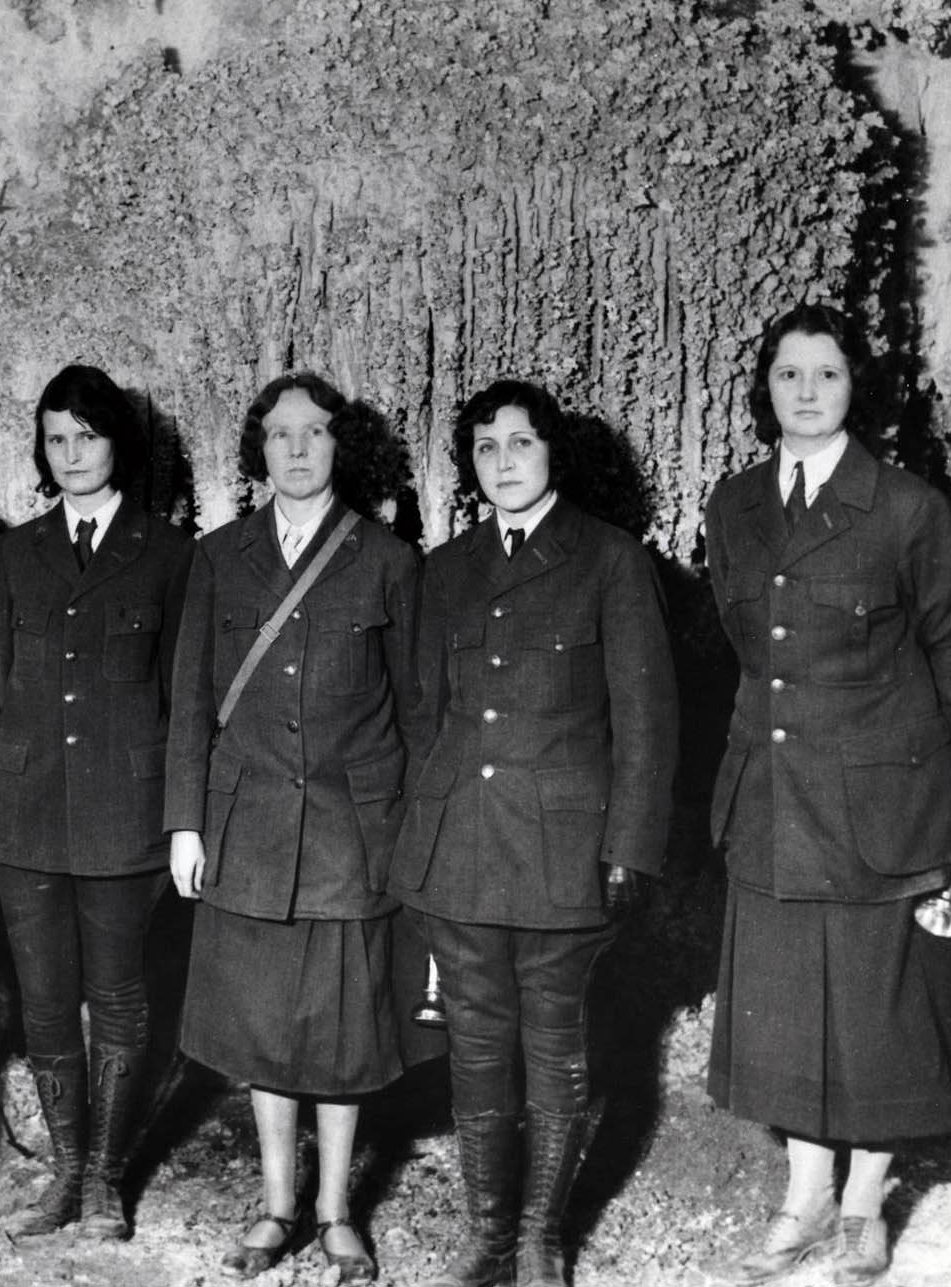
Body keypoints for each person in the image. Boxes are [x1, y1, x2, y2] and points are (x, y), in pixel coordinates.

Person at [697, 304, 951, 1287]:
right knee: (783, 1009)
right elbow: (747, 656)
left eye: (825, 373)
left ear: (852, 387)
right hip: (771, 795)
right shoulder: (731, 504)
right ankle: (804, 1194)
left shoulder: (907, 509)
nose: (807, 391)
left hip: (882, 798)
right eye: (788, 374)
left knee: (879, 1011)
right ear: (765, 387)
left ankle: (863, 1205)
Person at [392, 381, 678, 1287]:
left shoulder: (609, 560)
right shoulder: (445, 568)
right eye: (484, 447)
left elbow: (648, 720)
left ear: (553, 454)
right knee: (477, 1045)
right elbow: (422, 713)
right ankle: (486, 1237)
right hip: (462, 850)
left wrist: (629, 844)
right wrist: (418, 840)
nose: (503, 462)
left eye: (520, 443)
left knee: (554, 1046)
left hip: (564, 855)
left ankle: (541, 1237)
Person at [164, 372, 423, 1283]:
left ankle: (336, 1211)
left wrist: (411, 841)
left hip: (352, 833)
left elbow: (417, 710)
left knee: (342, 1031)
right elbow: (192, 701)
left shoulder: (387, 560)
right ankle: (278, 1207)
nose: (299, 447)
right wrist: (184, 825)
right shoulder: (217, 557)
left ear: (339, 446)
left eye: (315, 432)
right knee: (265, 1029)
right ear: (259, 450)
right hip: (247, 826)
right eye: (281, 434)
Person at [0, 364, 193, 1240]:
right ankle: (64, 1171)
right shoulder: (13, 554)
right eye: (56, 439)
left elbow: (184, 697)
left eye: (89, 437)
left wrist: (177, 815)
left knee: (119, 994)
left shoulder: (170, 554)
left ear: (120, 446)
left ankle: (105, 1173)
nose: (72, 455)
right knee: (42, 997)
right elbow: (0, 673)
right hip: (25, 815)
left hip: (123, 815)